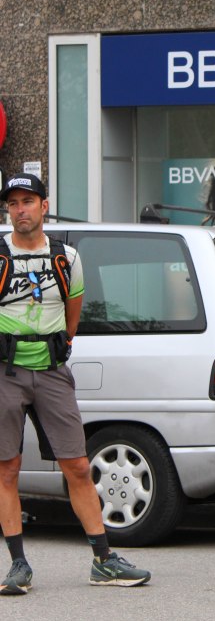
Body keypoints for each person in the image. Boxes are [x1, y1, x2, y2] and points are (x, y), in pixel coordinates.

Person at [0, 173, 151, 595]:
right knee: (7, 468)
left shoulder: (66, 258)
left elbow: (72, 315)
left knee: (79, 466)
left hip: (51, 371)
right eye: (13, 203)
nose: (20, 210)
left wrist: (57, 346)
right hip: (5, 372)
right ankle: (18, 565)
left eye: (28, 201)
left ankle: (103, 560)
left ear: (44, 206)